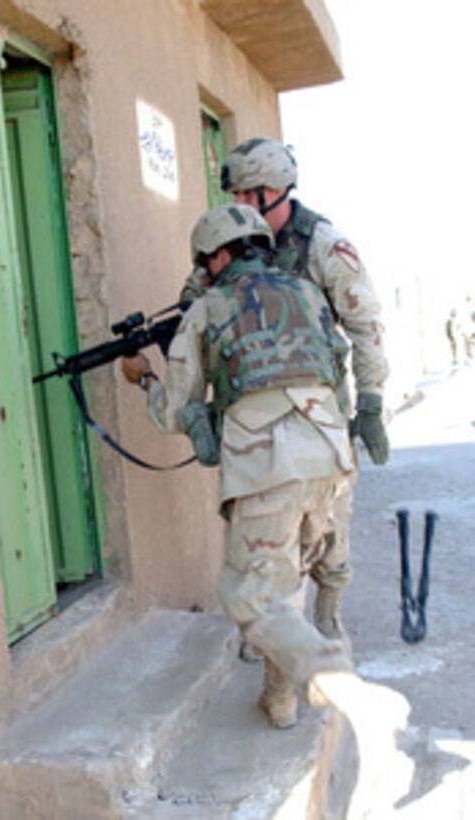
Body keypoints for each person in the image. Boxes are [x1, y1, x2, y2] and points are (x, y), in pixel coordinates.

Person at [121, 203, 401, 732]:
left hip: (269, 469)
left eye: (205, 263)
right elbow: (329, 373)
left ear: (222, 255)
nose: (202, 274)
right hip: (331, 459)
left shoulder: (209, 309)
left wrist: (142, 378)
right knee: (286, 585)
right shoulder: (307, 292)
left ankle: (334, 677)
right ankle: (279, 699)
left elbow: (169, 413)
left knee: (250, 594)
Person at [181, 138, 390, 652]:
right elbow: (196, 305)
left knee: (331, 530)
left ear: (277, 191)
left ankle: (327, 611)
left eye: (250, 196)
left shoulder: (322, 244)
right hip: (254, 419)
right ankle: (275, 628)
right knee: (258, 528)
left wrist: (370, 403)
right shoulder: (232, 241)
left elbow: (365, 325)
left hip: (321, 409)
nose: (240, 206)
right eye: (235, 195)